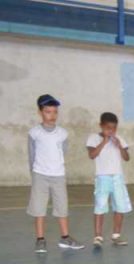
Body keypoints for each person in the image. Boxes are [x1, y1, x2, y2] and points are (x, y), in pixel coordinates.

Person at [29, 94, 83, 253]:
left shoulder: (62, 133)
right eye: (48, 111)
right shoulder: (34, 133)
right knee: (39, 208)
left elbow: (63, 151)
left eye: (54, 112)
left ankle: (65, 238)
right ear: (40, 112)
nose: (52, 115)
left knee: (62, 208)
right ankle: (40, 240)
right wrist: (34, 174)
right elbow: (31, 155)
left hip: (58, 175)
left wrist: (55, 168)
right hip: (40, 175)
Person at [86, 111, 131, 247]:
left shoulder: (119, 139)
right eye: (108, 128)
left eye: (114, 128)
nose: (111, 131)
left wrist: (120, 147)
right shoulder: (93, 138)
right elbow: (92, 155)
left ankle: (116, 235)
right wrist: (104, 142)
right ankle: (98, 236)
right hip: (102, 177)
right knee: (100, 206)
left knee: (120, 206)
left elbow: (127, 158)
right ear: (101, 126)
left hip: (117, 177)